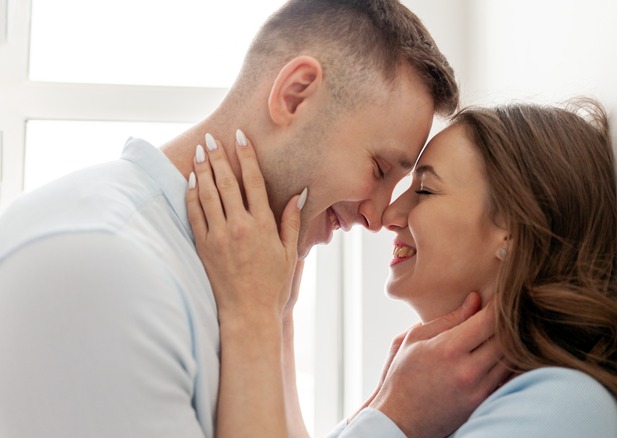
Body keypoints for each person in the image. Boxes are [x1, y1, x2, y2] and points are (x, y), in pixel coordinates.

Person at [0, 1, 507, 437]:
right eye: (378, 168)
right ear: (295, 94)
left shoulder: (242, 280)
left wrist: (275, 319)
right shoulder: (101, 267)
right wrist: (395, 418)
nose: (377, 217)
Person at [188, 98, 617, 437]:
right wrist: (279, 314)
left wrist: (393, 413)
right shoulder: (463, 402)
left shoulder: (566, 409)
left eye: (424, 191)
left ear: (516, 227)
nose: (388, 216)